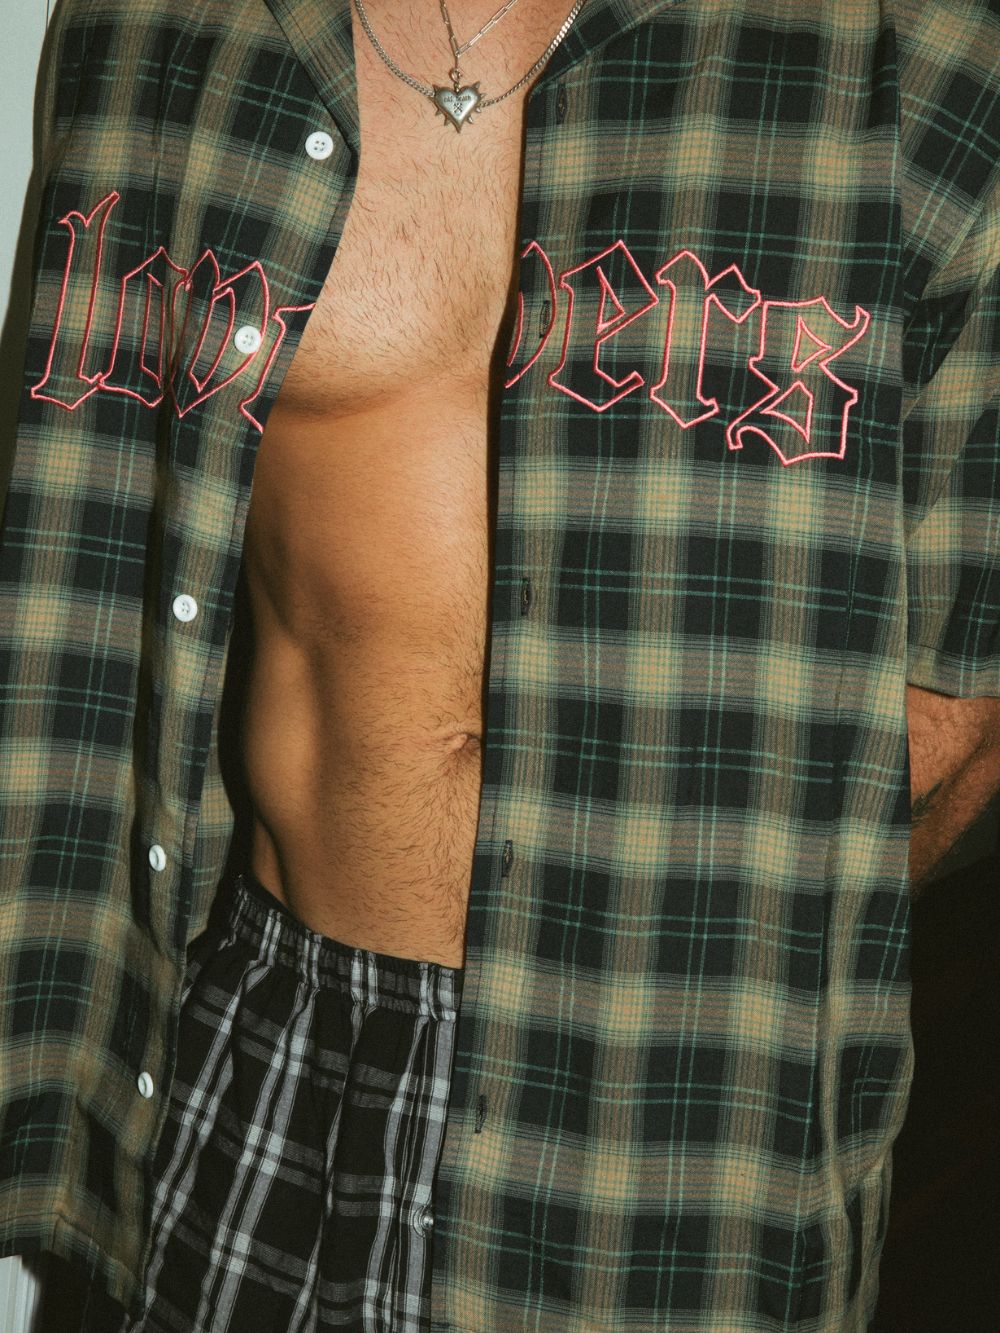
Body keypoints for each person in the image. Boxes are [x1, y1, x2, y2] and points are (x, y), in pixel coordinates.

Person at [1, 0, 998, 1330]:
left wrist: (720, 965)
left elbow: (962, 701)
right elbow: (80, 528)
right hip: (256, 1030)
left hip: (671, 1108)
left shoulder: (926, 54)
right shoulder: (172, 26)